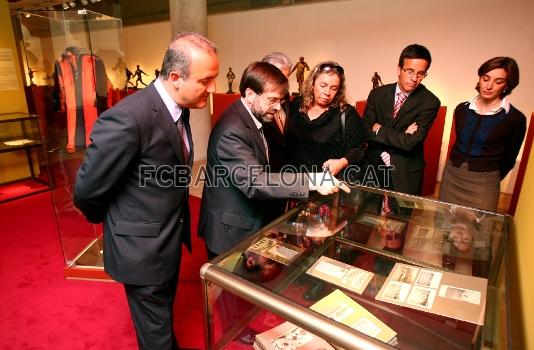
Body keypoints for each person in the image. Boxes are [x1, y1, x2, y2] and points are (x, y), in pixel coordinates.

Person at [73, 32, 219, 350]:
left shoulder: (180, 107)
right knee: (156, 334)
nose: (212, 89)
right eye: (206, 80)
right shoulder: (128, 118)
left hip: (166, 240)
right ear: (176, 77)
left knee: (158, 322)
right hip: (140, 250)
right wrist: (117, 225)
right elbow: (86, 189)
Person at [199, 61, 347, 259]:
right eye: (272, 100)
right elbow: (255, 181)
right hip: (230, 230)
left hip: (250, 219)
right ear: (250, 94)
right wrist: (312, 180)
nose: (278, 107)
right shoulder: (232, 130)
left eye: (280, 100)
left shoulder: (252, 115)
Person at [439, 57, 526, 212]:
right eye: (486, 78)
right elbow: (459, 143)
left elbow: (509, 159)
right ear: (479, 78)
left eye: (498, 81)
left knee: (480, 230)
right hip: (452, 175)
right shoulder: (462, 110)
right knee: (443, 222)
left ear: (507, 85)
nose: (489, 85)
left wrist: (488, 176)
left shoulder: (515, 119)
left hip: (485, 182)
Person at [363, 44, 440, 195]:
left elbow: (411, 142)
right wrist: (402, 135)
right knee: (366, 214)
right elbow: (365, 131)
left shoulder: (430, 102)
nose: (414, 78)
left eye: (421, 73)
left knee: (402, 216)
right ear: (399, 69)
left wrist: (379, 129)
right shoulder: (377, 94)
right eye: (410, 71)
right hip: (373, 166)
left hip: (405, 172)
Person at [286, 61, 366, 183]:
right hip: (292, 183)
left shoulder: (346, 113)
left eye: (333, 88)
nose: (327, 93)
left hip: (324, 188)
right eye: (323, 85)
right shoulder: (296, 105)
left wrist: (341, 162)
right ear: (312, 84)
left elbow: (359, 149)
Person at [261, 52, 293, 222]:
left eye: (286, 78)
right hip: (262, 180)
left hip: (283, 178)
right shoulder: (256, 104)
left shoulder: (286, 99)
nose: (282, 83)